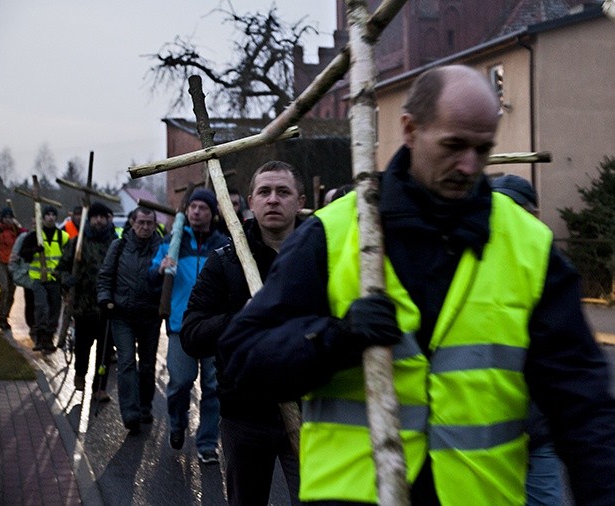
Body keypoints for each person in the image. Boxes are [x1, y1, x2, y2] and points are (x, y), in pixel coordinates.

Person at [218, 65, 615, 505]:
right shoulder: (333, 235)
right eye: (453, 145)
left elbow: (584, 407)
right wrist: (335, 338)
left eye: (483, 150)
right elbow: (242, 360)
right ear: (409, 130)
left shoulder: (529, 248)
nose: (469, 165)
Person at [181, 161, 305, 505]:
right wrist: (241, 319)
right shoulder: (226, 261)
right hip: (245, 414)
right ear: (251, 201)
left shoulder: (321, 254)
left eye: (283, 192)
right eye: (264, 192)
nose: (273, 200)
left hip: (311, 409)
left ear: (300, 200)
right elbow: (192, 333)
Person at [491, 174, 562, 506]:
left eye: (517, 210)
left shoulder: (547, 266)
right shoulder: (470, 267)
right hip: (488, 440)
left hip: (536, 435)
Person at [150, 188, 228, 463]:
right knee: (180, 382)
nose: (197, 212)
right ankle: (177, 422)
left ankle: (207, 443)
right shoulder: (173, 242)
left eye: (203, 208)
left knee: (213, 386)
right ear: (187, 211)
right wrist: (160, 270)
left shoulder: (224, 245)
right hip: (180, 325)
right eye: (193, 207)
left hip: (214, 325)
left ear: (212, 213)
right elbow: (151, 275)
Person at [97, 206, 163, 433]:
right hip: (122, 314)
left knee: (147, 365)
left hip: (150, 315)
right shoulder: (120, 246)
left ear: (155, 225)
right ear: (132, 223)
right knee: (126, 362)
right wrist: (105, 298)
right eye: (141, 223)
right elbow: (105, 276)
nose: (145, 227)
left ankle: (145, 406)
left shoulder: (162, 248)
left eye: (149, 223)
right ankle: (130, 413)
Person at [57, 202, 117, 401]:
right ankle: (80, 373)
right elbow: (61, 268)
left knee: (105, 351)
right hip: (83, 307)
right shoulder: (77, 242)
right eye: (95, 217)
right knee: (82, 347)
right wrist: (67, 279)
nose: (98, 220)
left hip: (107, 308)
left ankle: (99, 388)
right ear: (89, 219)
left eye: (102, 216)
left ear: (108, 219)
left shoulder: (115, 243)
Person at [19, 205, 69, 353]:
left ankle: (49, 337)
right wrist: (34, 250)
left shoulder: (62, 236)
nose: (51, 217)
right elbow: (24, 255)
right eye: (47, 214)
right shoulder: (34, 236)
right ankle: (40, 336)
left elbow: (68, 257)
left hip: (55, 279)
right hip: (38, 279)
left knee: (55, 308)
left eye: (53, 215)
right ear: (43, 217)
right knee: (41, 307)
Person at [8, 221, 36, 343]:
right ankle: (33, 326)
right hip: (28, 277)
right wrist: (16, 273)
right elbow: (14, 257)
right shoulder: (23, 238)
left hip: (46, 278)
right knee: (30, 302)